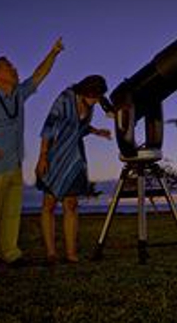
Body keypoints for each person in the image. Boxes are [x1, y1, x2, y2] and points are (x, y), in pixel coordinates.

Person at [0, 38, 64, 271]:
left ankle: (11, 254)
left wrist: (53, 53)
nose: (14, 68)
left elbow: (38, 75)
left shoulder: (18, 94)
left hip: (14, 165)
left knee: (12, 214)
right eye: (8, 66)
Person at [35, 75, 111, 264]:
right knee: (49, 204)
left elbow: (80, 127)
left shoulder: (92, 104)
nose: (95, 100)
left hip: (75, 158)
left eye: (99, 96)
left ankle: (70, 253)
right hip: (55, 155)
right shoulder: (65, 98)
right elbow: (49, 126)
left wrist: (96, 131)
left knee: (71, 204)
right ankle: (51, 253)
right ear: (85, 90)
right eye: (94, 95)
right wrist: (43, 156)